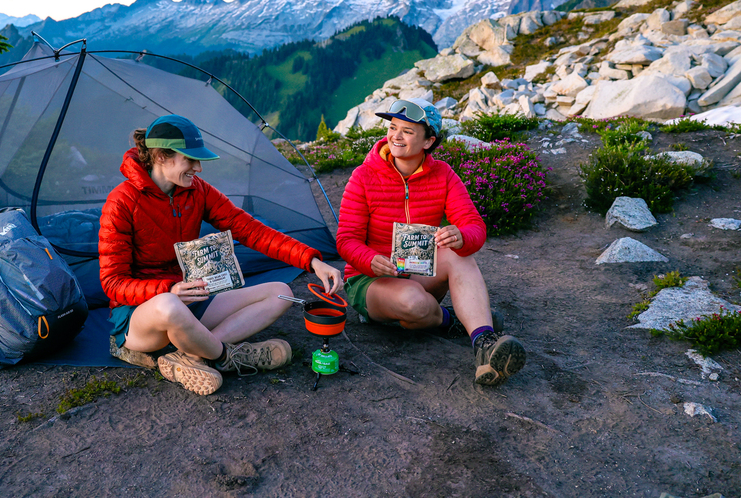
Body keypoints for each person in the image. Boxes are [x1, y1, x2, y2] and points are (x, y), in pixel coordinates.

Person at [99, 114, 342, 395]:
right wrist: (169, 289)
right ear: (161, 156)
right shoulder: (121, 202)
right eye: (190, 160)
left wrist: (311, 261)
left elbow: (251, 230)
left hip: (190, 300)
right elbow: (113, 283)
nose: (199, 168)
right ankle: (228, 357)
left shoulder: (197, 192)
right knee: (168, 305)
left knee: (280, 292)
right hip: (143, 318)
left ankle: (192, 356)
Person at [335, 98, 526, 385]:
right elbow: (346, 240)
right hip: (371, 280)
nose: (396, 136)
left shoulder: (444, 175)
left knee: (458, 254)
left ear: (428, 141)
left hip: (420, 272)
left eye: (408, 131)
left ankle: (484, 345)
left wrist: (461, 236)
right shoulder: (363, 177)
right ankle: (451, 320)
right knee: (413, 303)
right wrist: (369, 260)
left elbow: (475, 227)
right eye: (393, 127)